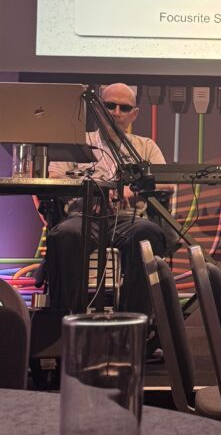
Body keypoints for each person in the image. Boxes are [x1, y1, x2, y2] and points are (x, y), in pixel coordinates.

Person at [44, 83, 167, 314]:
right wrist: (90, 193)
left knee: (149, 234)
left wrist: (131, 192)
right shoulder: (77, 140)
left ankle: (134, 322)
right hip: (83, 218)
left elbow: (166, 182)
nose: (116, 112)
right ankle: (67, 320)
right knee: (64, 235)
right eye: (110, 105)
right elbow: (55, 176)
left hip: (127, 220)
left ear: (134, 113)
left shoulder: (145, 146)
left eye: (124, 107)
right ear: (98, 108)